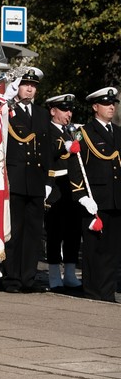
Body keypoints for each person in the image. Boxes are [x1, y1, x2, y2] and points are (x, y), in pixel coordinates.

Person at [68, 87, 121, 302]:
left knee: (112, 250)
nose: (111, 107)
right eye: (106, 104)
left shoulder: (118, 132)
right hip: (95, 199)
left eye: (113, 103)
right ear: (95, 107)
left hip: (116, 198)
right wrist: (81, 195)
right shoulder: (84, 133)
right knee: (94, 248)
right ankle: (92, 291)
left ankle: (107, 292)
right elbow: (76, 166)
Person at [0, 67, 51, 293]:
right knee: (14, 232)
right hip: (16, 179)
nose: (30, 89)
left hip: (36, 181)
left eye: (33, 86)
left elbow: (47, 148)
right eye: (25, 85)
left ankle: (28, 279)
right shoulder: (7, 110)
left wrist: (48, 180)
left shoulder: (41, 114)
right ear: (17, 87)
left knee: (33, 233)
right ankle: (11, 278)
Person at [43, 94, 82, 291]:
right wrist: (63, 148)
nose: (69, 113)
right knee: (55, 231)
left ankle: (70, 273)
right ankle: (53, 275)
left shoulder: (71, 131)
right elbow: (47, 154)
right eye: (64, 109)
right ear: (53, 111)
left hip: (72, 186)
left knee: (73, 230)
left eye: (70, 110)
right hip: (55, 184)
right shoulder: (46, 130)